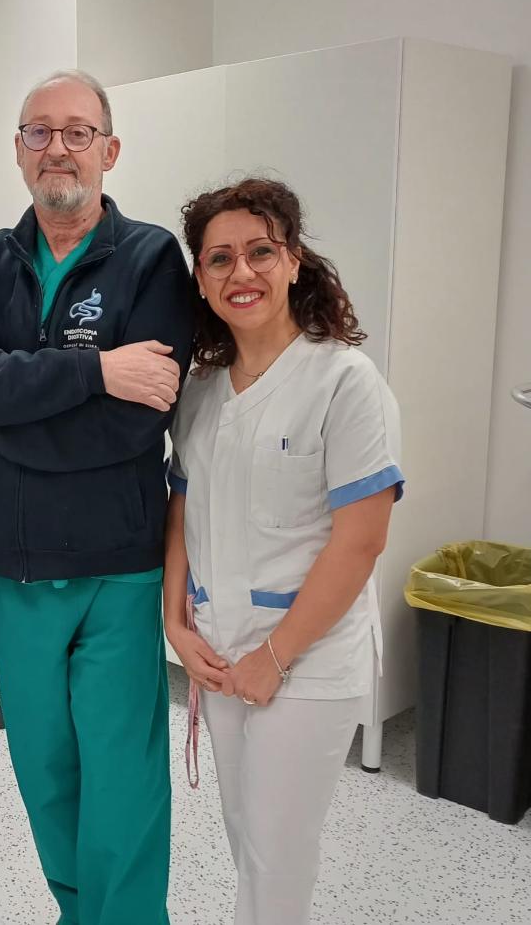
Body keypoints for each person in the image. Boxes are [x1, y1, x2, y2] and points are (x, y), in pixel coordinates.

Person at [0, 70, 195, 925]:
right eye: (39, 132)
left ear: (109, 150)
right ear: (18, 151)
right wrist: (95, 371)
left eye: (78, 132)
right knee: (44, 773)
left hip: (117, 568)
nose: (58, 148)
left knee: (121, 779)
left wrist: (4, 431)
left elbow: (137, 420)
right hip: (15, 569)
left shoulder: (151, 258)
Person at [164, 177, 404, 925]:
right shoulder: (201, 390)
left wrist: (275, 657)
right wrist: (175, 623)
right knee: (247, 840)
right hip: (221, 649)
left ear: (295, 260)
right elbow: (182, 506)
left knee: (277, 855)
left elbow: (361, 540)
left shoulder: (344, 382)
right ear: (200, 279)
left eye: (261, 252)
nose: (242, 272)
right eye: (220, 258)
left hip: (309, 658)